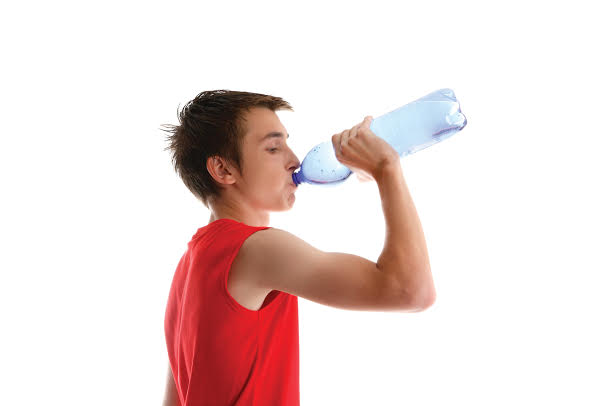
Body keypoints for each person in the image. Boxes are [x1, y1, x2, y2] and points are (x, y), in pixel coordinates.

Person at [160, 90, 436, 406]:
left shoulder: (190, 261)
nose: (294, 160)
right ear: (224, 170)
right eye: (274, 148)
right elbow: (412, 292)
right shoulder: (256, 248)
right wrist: (387, 168)